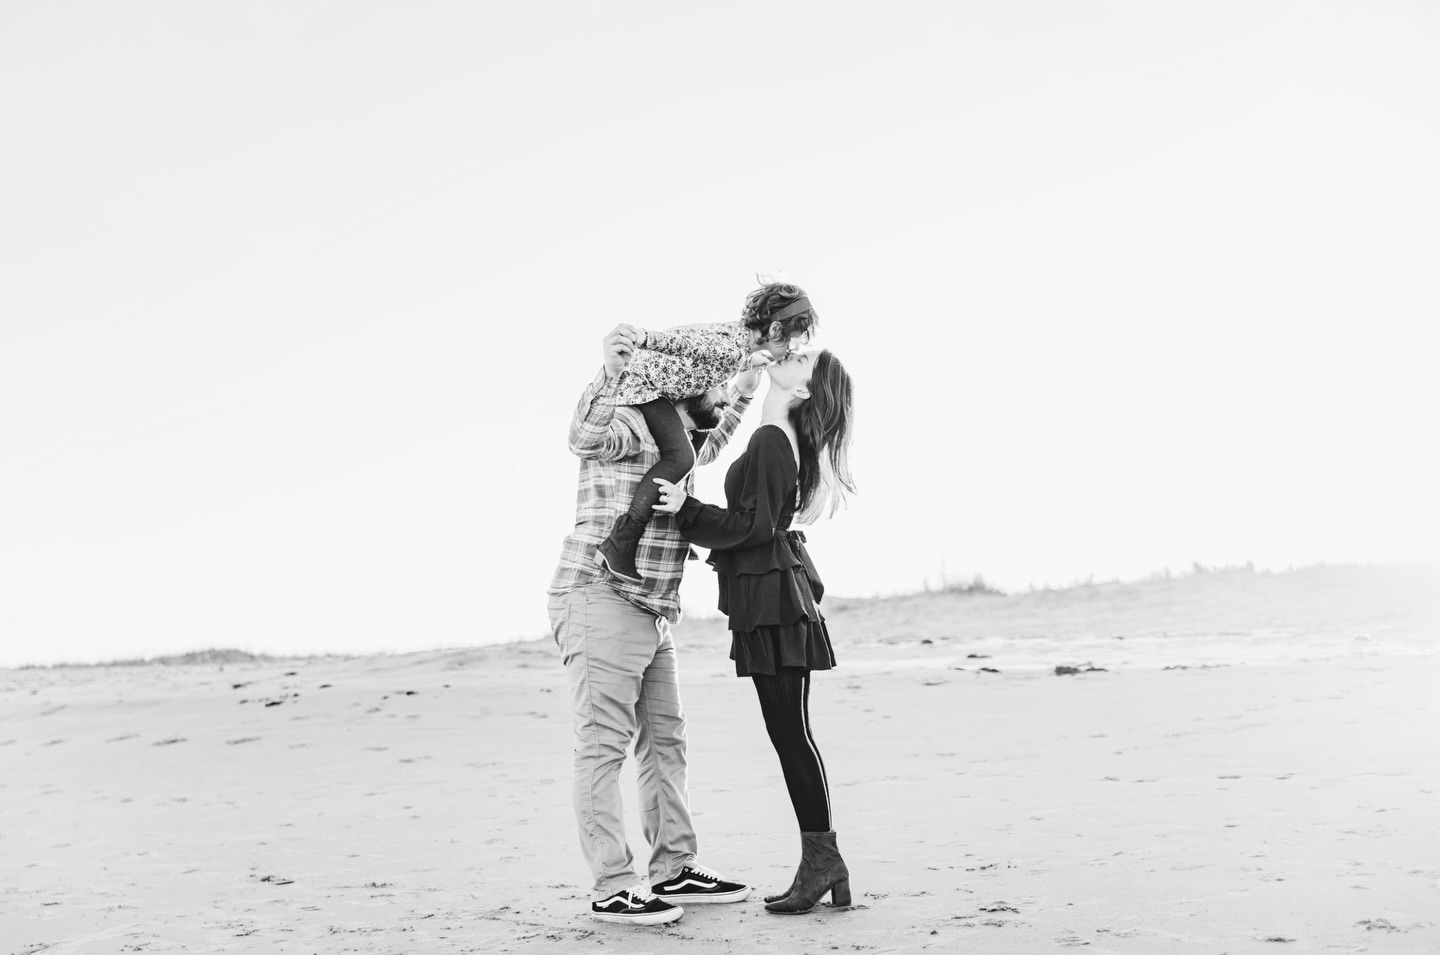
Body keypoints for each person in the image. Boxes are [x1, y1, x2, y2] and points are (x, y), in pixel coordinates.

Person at [546, 324, 762, 925]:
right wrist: (610, 372)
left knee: (666, 739)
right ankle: (613, 884)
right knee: (603, 745)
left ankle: (674, 869)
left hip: (651, 607)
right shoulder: (629, 428)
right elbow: (582, 435)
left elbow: (712, 441)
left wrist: (743, 393)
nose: (717, 404)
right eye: (714, 393)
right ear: (684, 388)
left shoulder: (685, 443)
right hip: (599, 593)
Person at [652, 347, 857, 915]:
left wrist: (684, 509)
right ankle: (824, 861)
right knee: (793, 733)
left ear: (807, 389)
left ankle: (823, 862)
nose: (794, 351)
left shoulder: (773, 438)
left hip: (771, 598)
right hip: (771, 594)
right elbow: (759, 521)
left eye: (805, 357)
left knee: (791, 735)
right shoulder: (771, 430)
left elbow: (753, 526)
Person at [594, 283, 819, 584]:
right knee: (680, 457)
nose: (791, 351)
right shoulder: (729, 350)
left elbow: (707, 353)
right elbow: (683, 343)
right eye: (792, 343)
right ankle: (621, 541)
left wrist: (747, 376)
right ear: (776, 330)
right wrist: (645, 337)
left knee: (697, 444)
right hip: (644, 387)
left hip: (659, 387)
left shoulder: (737, 343)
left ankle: (677, 535)